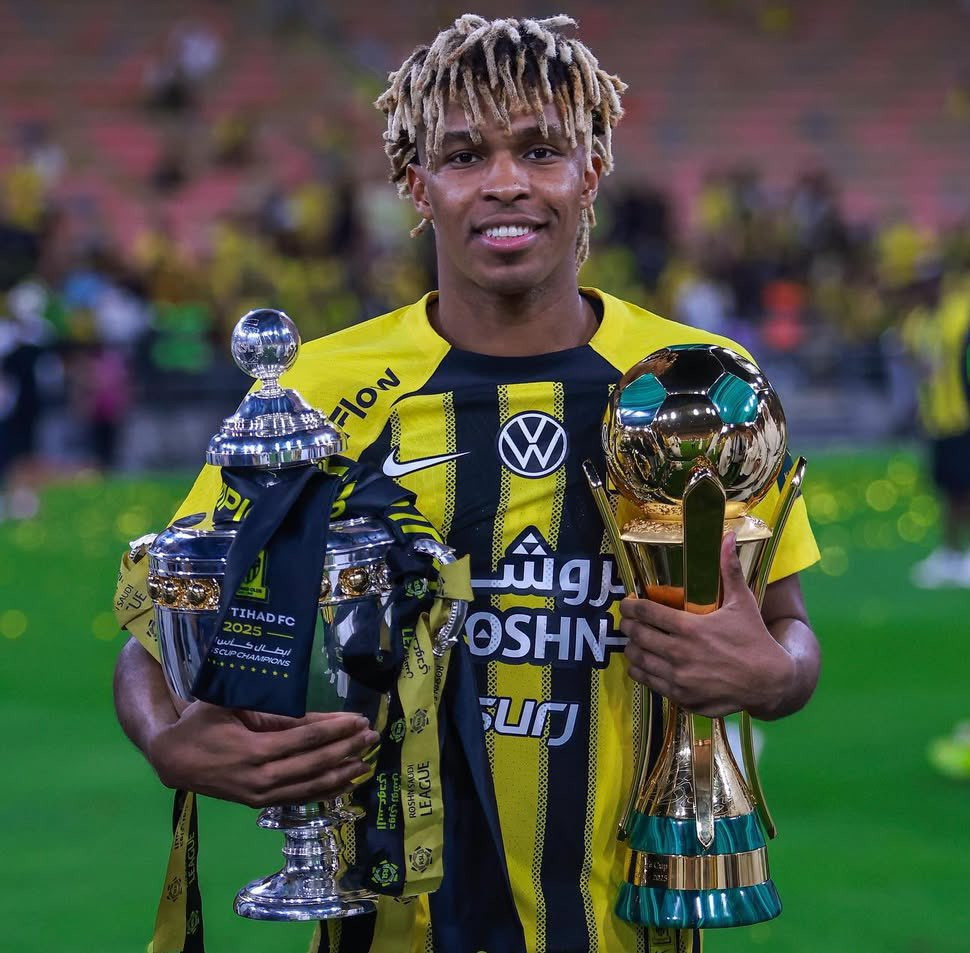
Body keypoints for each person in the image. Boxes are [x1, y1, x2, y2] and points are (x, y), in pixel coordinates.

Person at [113, 14, 820, 953]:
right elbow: (155, 626)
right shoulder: (315, 390)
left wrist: (774, 675)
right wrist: (166, 740)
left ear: (592, 169)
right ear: (417, 183)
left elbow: (785, 625)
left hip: (624, 925)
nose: (505, 182)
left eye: (541, 150)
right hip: (387, 930)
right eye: (463, 155)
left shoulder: (695, 383)